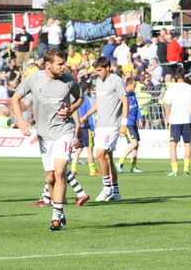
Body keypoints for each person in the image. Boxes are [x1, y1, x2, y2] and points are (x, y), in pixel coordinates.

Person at [11, 48, 84, 231]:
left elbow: (80, 97)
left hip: (64, 131)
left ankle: (55, 219)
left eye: (64, 63)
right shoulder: (33, 79)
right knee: (50, 177)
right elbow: (15, 98)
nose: (64, 67)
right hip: (44, 135)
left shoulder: (68, 80)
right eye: (60, 64)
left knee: (60, 172)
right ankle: (59, 211)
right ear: (48, 64)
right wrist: (20, 120)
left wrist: (71, 109)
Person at [80, 57, 129, 202]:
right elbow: (98, 103)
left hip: (112, 125)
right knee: (108, 158)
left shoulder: (116, 80)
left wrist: (124, 124)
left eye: (99, 70)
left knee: (99, 153)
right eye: (95, 70)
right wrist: (86, 116)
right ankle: (116, 191)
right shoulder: (99, 82)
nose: (96, 72)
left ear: (107, 68)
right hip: (100, 125)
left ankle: (106, 188)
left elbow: (125, 101)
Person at [163, 66, 191, 176]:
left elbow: (167, 105)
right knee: (187, 144)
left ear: (175, 76)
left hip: (174, 120)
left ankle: (174, 170)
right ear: (185, 75)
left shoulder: (171, 88)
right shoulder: (190, 88)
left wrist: (167, 118)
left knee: (173, 144)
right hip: (186, 119)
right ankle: (186, 170)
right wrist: (187, 108)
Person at [116, 77, 144, 173]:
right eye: (134, 85)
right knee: (134, 143)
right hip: (127, 123)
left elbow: (137, 107)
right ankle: (120, 161)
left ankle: (133, 167)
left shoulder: (133, 94)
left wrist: (139, 118)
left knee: (136, 146)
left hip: (133, 122)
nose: (135, 87)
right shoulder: (123, 95)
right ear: (128, 84)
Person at [72, 82, 101, 176]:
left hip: (78, 127)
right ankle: (92, 170)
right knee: (90, 150)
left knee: (78, 149)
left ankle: (73, 169)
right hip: (86, 127)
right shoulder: (87, 99)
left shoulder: (76, 99)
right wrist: (92, 128)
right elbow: (90, 114)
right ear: (87, 90)